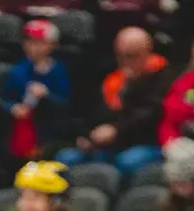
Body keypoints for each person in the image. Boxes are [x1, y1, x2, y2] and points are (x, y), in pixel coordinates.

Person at [63, 27, 171, 175]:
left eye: (131, 56)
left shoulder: (163, 76)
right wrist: (87, 135)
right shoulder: (112, 78)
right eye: (120, 56)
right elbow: (92, 113)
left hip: (145, 142)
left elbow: (150, 116)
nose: (124, 62)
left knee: (126, 162)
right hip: (109, 144)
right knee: (66, 158)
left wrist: (117, 130)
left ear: (147, 52)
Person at [2, 20, 71, 163]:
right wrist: (13, 108)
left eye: (39, 42)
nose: (33, 47)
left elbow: (66, 104)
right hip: (23, 129)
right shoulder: (18, 70)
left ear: (52, 45)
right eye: (29, 42)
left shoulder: (60, 71)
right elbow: (5, 98)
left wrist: (47, 95)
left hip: (51, 130)